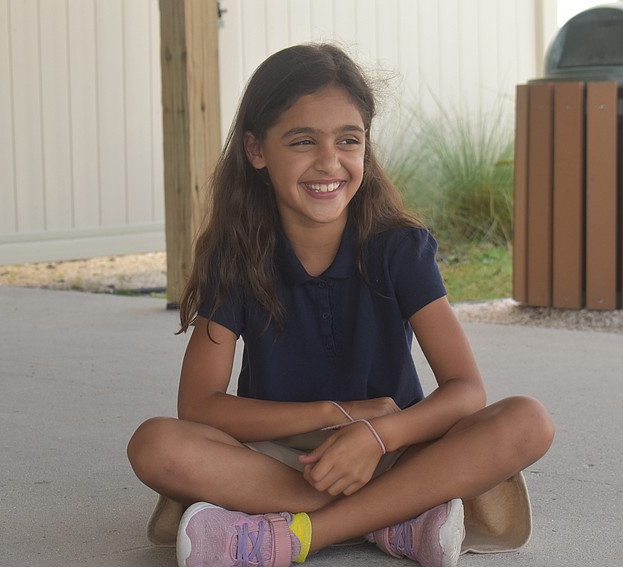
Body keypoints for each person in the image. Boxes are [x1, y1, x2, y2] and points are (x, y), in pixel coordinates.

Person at [127, 43, 554, 567]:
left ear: (366, 148)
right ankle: (397, 516)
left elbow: (466, 390)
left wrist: (375, 434)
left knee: (528, 420)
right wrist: (338, 414)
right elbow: (199, 406)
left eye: (348, 140)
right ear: (256, 150)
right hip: (281, 459)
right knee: (154, 444)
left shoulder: (399, 248)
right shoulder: (235, 257)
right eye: (303, 141)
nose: (329, 161)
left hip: (396, 451)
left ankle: (299, 535)